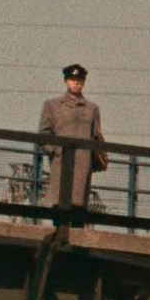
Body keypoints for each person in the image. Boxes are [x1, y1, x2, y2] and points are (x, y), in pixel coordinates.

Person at [38, 63, 107, 209]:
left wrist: (93, 158)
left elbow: (97, 137)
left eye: (80, 80)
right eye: (72, 79)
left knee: (78, 206)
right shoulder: (52, 105)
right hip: (60, 162)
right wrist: (56, 151)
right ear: (66, 81)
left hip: (83, 163)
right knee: (58, 204)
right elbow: (44, 134)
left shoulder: (92, 109)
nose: (76, 83)